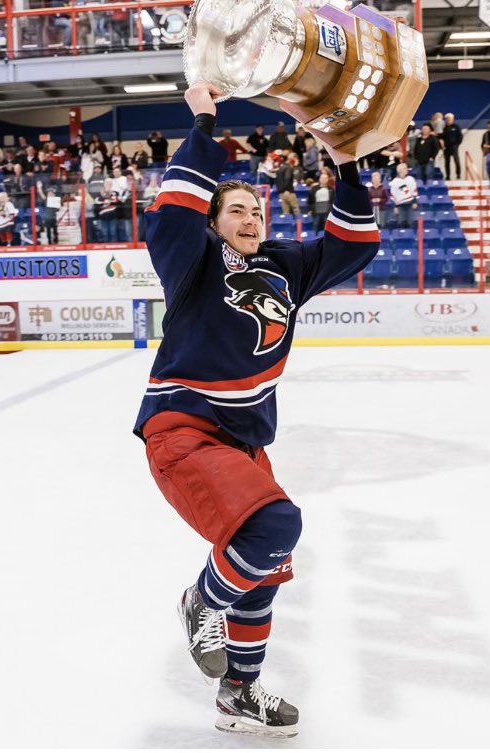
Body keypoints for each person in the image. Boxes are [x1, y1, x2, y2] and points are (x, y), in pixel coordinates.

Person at [137, 82, 379, 739]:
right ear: (213, 222)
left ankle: (237, 694)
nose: (250, 219)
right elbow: (172, 211)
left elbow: (352, 244)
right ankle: (200, 602)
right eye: (236, 210)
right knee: (273, 526)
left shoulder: (281, 265)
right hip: (183, 430)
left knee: (266, 571)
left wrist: (348, 161)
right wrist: (205, 121)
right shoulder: (191, 262)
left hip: (241, 445)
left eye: (256, 210)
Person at [388, 162, 417, 229]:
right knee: (401, 223)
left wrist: (415, 202)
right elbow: (393, 195)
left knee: (411, 222)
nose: (407, 169)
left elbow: (414, 191)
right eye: (405, 168)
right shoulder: (395, 182)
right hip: (400, 205)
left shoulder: (411, 179)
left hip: (410, 204)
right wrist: (395, 206)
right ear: (400, 170)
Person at [440, 113, 462, 181]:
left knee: (456, 161)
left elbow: (460, 137)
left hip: (454, 147)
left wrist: (457, 144)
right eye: (447, 119)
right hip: (446, 148)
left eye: (449, 119)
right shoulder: (444, 128)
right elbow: (442, 136)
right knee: (447, 162)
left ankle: (458, 174)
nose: (448, 120)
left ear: (453, 119)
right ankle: (448, 176)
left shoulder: (456, 127)